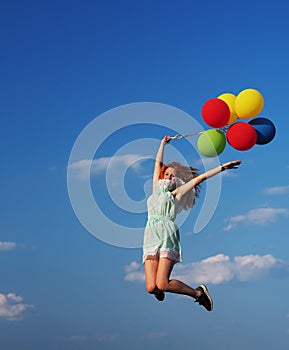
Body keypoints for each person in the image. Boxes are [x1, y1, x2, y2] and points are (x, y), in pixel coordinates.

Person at [143, 135, 241, 311]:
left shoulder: (176, 194)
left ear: (176, 180)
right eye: (167, 173)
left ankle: (198, 293)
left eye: (172, 175)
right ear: (162, 174)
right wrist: (162, 144)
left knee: (163, 284)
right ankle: (158, 287)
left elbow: (199, 179)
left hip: (166, 234)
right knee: (151, 287)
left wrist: (222, 167)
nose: (169, 176)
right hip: (150, 234)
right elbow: (157, 163)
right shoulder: (154, 189)